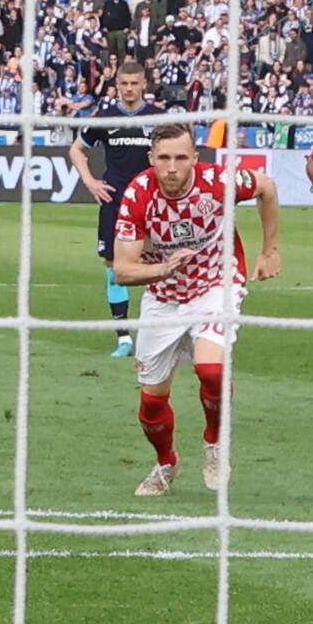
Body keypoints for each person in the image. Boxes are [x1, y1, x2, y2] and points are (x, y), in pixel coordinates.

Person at [112, 123, 281, 496]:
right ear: (151, 159)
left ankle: (214, 444)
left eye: (181, 157)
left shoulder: (218, 181)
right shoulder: (138, 194)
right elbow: (122, 269)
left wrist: (269, 250)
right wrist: (163, 269)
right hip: (162, 295)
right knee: (151, 404)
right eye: (164, 158)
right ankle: (166, 463)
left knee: (211, 368)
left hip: (216, 285)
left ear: (195, 159)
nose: (172, 167)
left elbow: (266, 187)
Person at [67, 59, 162, 358]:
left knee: (163, 265)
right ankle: (124, 338)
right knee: (112, 268)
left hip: (154, 204)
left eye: (135, 84)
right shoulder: (105, 118)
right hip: (115, 202)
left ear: (144, 84)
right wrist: (91, 181)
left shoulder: (160, 118)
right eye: (124, 84)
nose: (130, 89)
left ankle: (158, 331)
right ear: (117, 85)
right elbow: (76, 150)